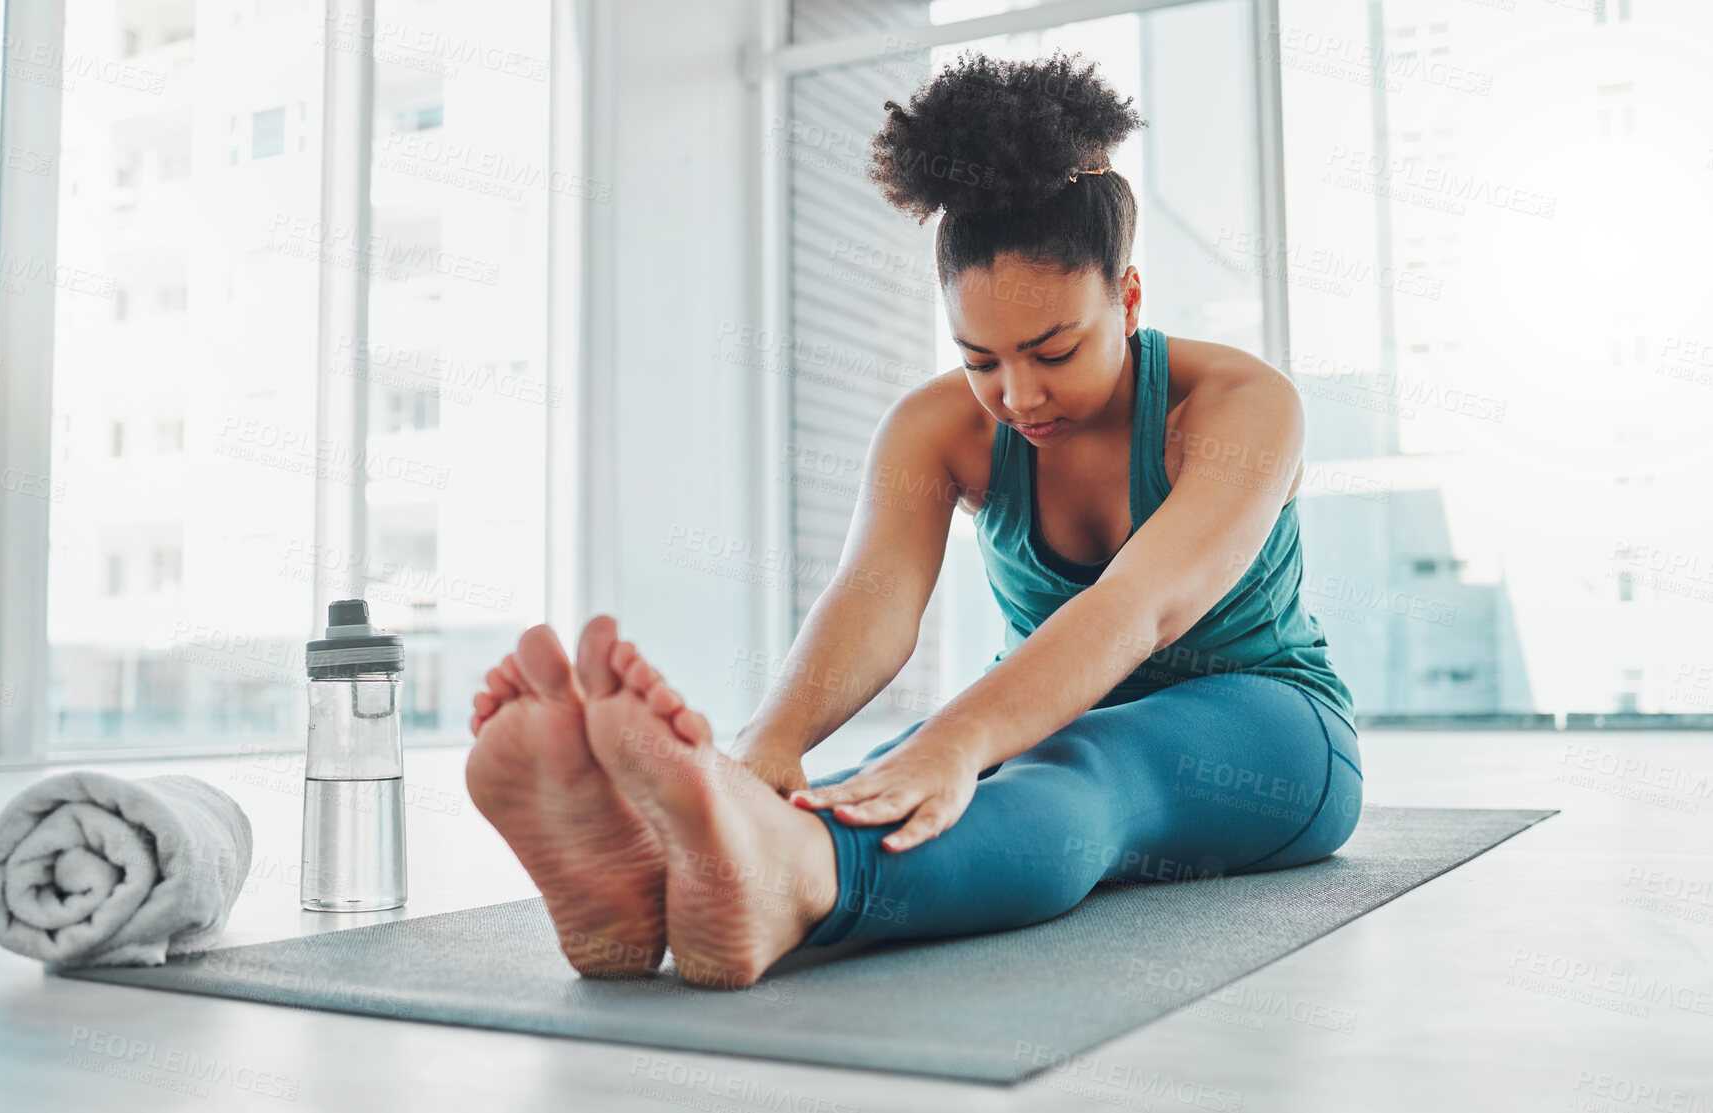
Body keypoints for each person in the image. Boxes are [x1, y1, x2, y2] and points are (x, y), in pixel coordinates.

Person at [462, 49, 1362, 990]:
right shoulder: (938, 427)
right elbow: (875, 600)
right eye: (981, 358)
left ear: (1127, 297)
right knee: (878, 778)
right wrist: (768, 748)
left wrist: (958, 739)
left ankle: (793, 878)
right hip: (1045, 704)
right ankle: (664, 888)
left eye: (1054, 349)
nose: (1016, 394)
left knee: (1085, 759)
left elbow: (1139, 607)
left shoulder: (1239, 405)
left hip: (1273, 728)